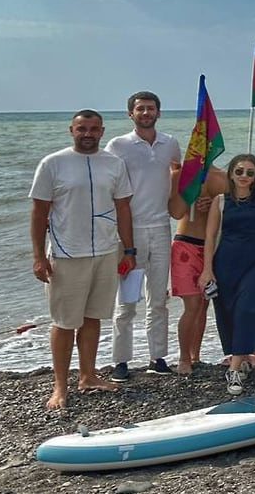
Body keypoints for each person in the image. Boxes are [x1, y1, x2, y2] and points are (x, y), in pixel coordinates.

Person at [29, 109, 135, 409]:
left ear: (102, 132)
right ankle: (60, 386)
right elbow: (39, 213)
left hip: (105, 251)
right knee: (64, 322)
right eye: (82, 128)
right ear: (71, 130)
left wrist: (129, 249)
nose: (87, 134)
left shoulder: (113, 163)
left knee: (93, 317)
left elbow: (123, 209)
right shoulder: (53, 163)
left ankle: (88, 375)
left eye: (93, 129)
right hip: (65, 254)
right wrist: (38, 256)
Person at [105, 91, 182, 379]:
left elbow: (178, 179)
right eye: (140, 109)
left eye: (151, 108)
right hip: (129, 232)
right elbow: (108, 186)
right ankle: (120, 361)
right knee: (126, 301)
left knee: (158, 300)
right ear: (131, 113)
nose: (146, 113)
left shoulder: (170, 143)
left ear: (158, 113)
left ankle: (157, 358)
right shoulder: (118, 145)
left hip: (161, 228)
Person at [198, 155, 255, 395]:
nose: (244, 176)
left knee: (248, 310)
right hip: (225, 263)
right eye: (240, 171)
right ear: (231, 173)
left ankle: (234, 370)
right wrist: (207, 268)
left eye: (250, 172)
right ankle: (242, 359)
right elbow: (210, 237)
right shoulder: (220, 201)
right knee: (229, 313)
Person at [168, 164, 227, 375]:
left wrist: (215, 204)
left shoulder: (224, 177)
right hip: (185, 243)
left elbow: (236, 206)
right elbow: (175, 212)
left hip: (213, 247)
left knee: (204, 304)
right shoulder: (179, 174)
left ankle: (195, 355)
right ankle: (183, 357)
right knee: (191, 305)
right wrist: (189, 194)